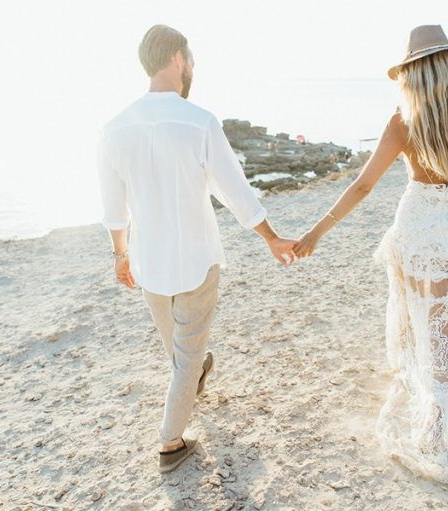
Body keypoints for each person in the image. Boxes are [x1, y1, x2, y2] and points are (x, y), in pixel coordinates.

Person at [293, 25, 448, 485]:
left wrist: (317, 232)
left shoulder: (404, 122)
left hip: (415, 230)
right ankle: (435, 408)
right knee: (446, 323)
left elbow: (362, 185)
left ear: (411, 75)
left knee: (414, 313)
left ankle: (432, 418)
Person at [97, 24, 296, 474]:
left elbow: (113, 207)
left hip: (148, 263)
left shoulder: (113, 129)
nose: (191, 66)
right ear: (176, 59)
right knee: (184, 358)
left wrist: (120, 255)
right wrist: (271, 237)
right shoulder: (198, 120)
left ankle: (196, 373)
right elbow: (236, 192)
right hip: (195, 260)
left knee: (181, 351)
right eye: (190, 58)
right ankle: (169, 443)